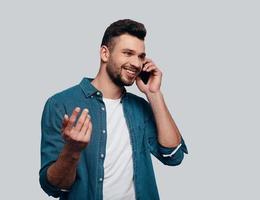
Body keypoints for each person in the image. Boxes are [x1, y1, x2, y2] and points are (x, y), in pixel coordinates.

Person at [39, 19, 188, 200]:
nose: (136, 63)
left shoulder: (140, 107)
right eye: (127, 53)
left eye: (141, 56)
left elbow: (173, 156)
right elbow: (54, 187)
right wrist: (73, 150)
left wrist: (154, 94)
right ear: (105, 53)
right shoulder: (60, 104)